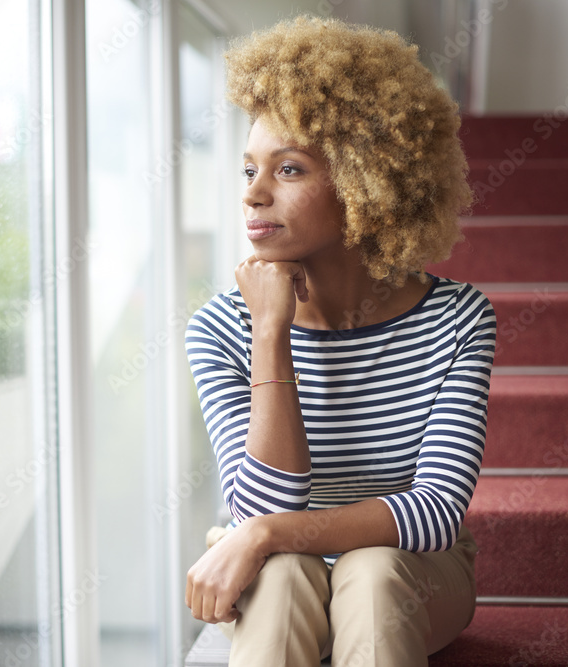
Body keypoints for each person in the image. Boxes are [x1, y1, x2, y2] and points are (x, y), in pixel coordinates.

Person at [184, 16, 496, 667]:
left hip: (413, 573)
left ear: (366, 182)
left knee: (374, 571)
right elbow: (264, 503)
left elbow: (437, 510)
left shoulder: (458, 319)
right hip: (275, 565)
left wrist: (266, 532)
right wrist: (270, 335)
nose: (254, 195)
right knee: (282, 575)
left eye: (288, 169)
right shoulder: (219, 328)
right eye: (248, 171)